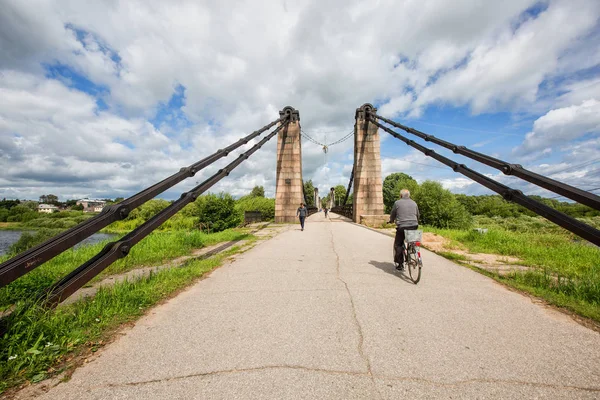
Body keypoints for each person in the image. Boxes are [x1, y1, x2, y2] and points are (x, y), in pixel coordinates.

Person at [389, 189, 419, 271]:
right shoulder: (414, 203)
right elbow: (417, 215)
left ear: (401, 195)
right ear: (409, 195)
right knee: (414, 241)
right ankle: (416, 253)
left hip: (402, 226)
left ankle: (400, 264)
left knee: (398, 244)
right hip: (414, 225)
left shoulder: (397, 203)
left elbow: (393, 214)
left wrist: (391, 220)